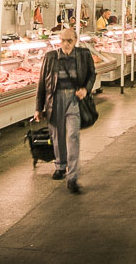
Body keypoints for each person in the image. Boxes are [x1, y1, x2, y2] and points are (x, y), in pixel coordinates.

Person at [33, 27, 95, 190]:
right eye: (63, 40)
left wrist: (86, 89)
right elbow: (42, 83)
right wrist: (38, 108)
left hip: (74, 100)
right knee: (57, 135)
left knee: (72, 135)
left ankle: (72, 176)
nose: (66, 44)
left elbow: (92, 74)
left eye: (70, 41)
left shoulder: (83, 55)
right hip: (54, 100)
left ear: (76, 41)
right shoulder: (50, 57)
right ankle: (60, 165)